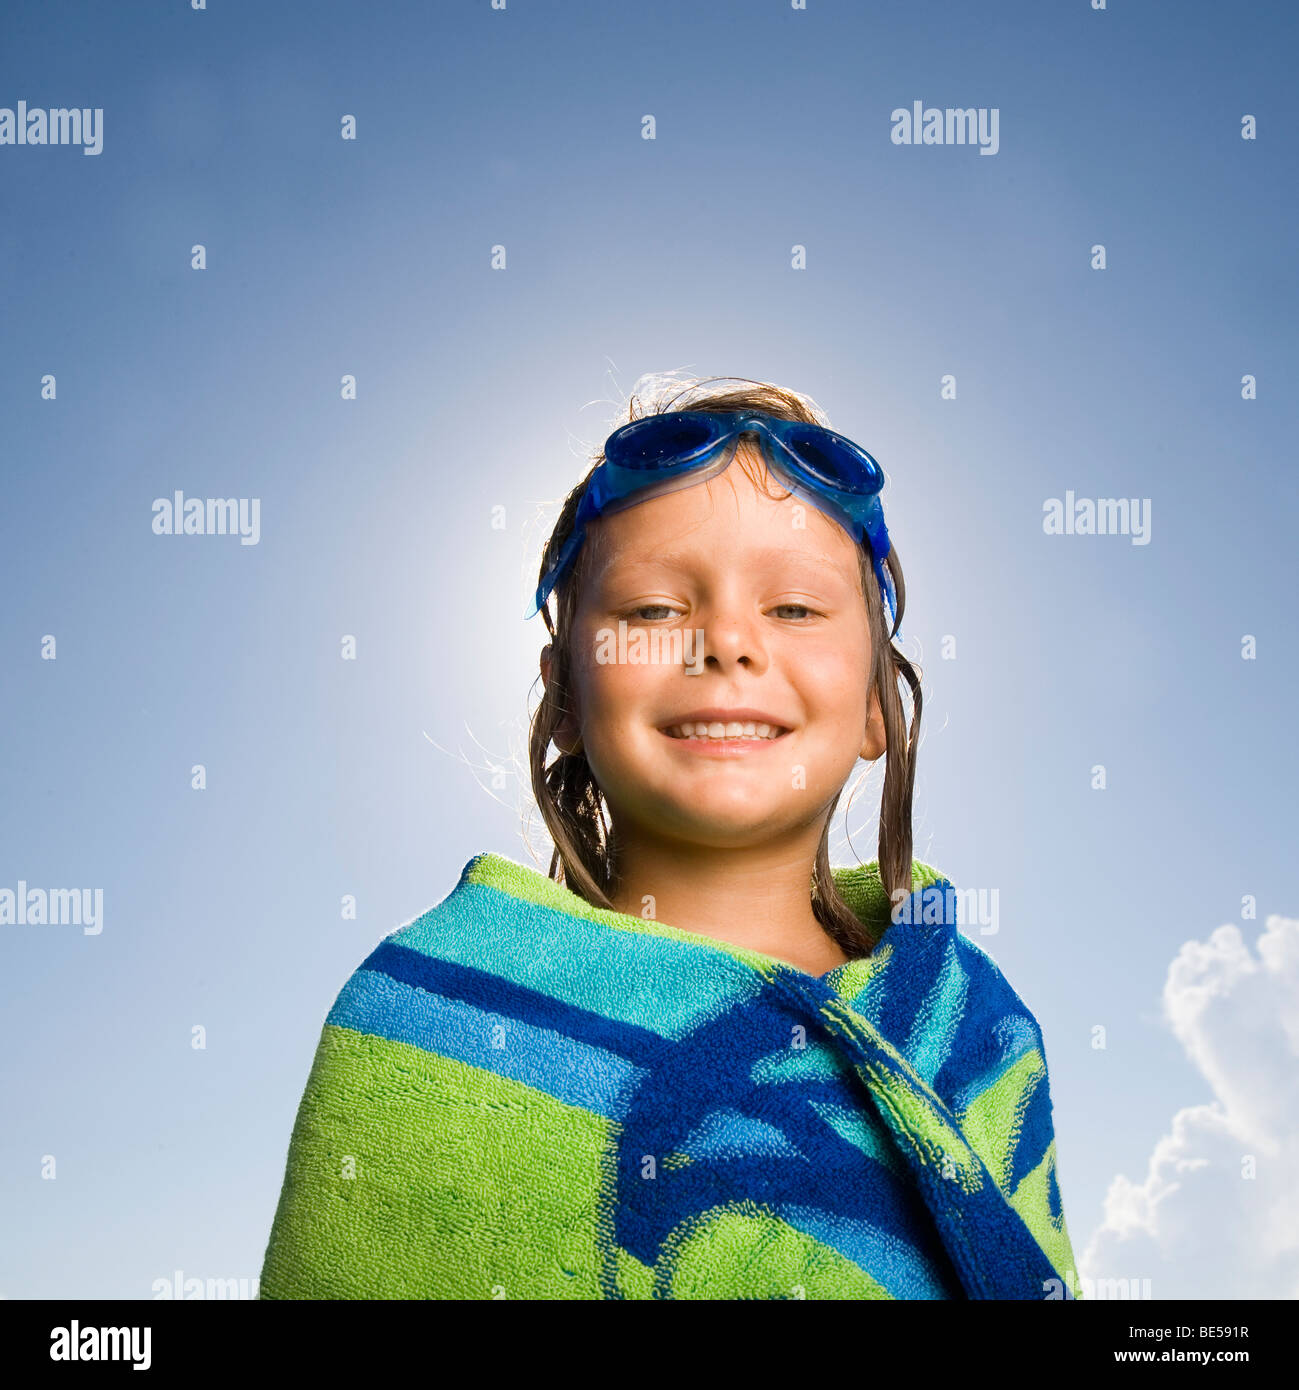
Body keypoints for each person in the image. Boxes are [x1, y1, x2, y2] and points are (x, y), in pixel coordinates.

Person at [260, 374, 1081, 1300]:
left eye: (795, 610)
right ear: (566, 695)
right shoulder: (437, 1012)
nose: (726, 642)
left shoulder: (971, 1028)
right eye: (652, 611)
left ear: (873, 710)